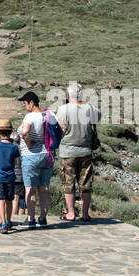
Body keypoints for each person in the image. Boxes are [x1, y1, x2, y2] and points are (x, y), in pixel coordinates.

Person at [56, 81, 99, 222]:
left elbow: (61, 129)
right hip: (85, 151)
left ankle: (70, 213)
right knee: (86, 183)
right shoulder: (91, 109)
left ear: (68, 95)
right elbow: (98, 117)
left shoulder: (63, 109)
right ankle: (85, 213)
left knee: (68, 183)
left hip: (67, 151)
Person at [18, 90, 56, 228]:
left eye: (25, 103)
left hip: (31, 156)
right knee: (44, 188)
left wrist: (28, 142)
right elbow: (61, 129)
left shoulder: (30, 117)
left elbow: (24, 132)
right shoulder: (49, 114)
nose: (24, 105)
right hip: (48, 155)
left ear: (32, 102)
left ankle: (31, 219)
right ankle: (43, 218)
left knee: (30, 188)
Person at [0, 119, 20, 234]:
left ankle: (3, 223)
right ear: (11, 132)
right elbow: (15, 162)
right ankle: (9, 220)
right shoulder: (14, 147)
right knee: (9, 200)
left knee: (1, 200)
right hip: (10, 176)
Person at [10, 124, 26, 223]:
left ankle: (14, 218)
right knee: (22, 200)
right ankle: (21, 218)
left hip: (14, 177)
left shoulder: (11, 149)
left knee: (15, 198)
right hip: (22, 177)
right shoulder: (22, 149)